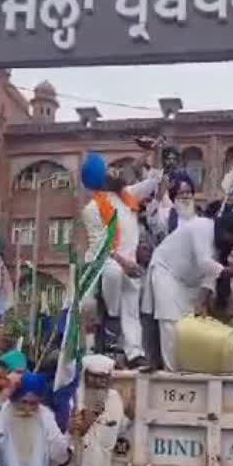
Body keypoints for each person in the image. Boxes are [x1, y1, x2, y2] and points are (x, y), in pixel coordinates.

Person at [80, 151, 162, 369]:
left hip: (130, 264)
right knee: (114, 275)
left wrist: (156, 152)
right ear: (100, 178)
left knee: (132, 310)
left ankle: (135, 354)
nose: (114, 171)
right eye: (108, 169)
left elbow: (153, 181)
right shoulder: (92, 209)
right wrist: (124, 264)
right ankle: (110, 333)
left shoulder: (128, 196)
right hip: (105, 263)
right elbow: (100, 247)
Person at [146, 206, 233, 371]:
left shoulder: (221, 246)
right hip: (167, 272)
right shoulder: (202, 227)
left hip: (189, 282)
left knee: (189, 327)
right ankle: (172, 373)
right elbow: (204, 263)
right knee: (171, 323)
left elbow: (210, 276)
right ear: (225, 231)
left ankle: (186, 371)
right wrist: (232, 272)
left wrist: (202, 302)